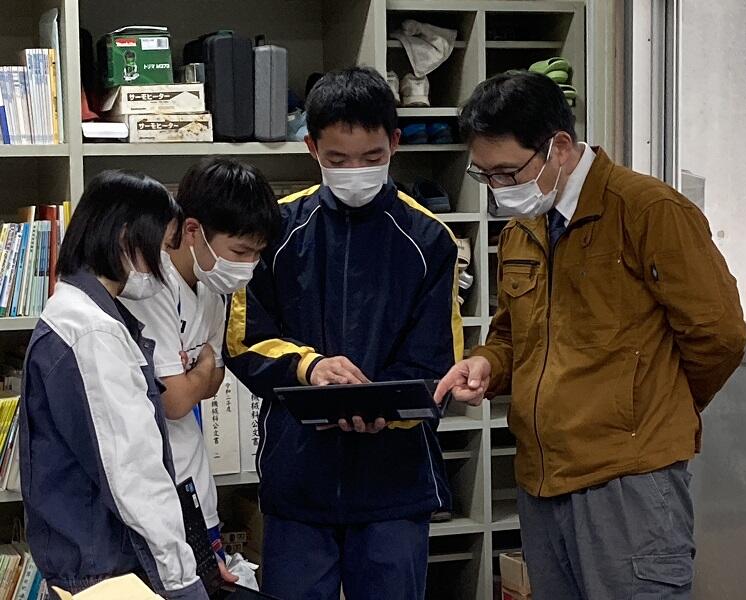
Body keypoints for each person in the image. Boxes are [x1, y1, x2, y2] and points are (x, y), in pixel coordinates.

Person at [434, 71, 746, 599]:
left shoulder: (647, 211)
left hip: (627, 481)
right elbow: (512, 334)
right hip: (541, 480)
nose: (498, 189)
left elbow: (718, 335)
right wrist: (488, 362)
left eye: (508, 172)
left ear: (559, 147)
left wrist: (650, 408)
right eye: (484, 174)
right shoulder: (525, 226)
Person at [223, 66, 463, 600]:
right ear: (311, 148)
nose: (355, 171)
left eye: (371, 157)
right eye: (337, 159)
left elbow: (436, 360)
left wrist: (385, 406)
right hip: (299, 475)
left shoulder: (430, 239)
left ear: (395, 143)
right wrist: (309, 367)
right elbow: (244, 338)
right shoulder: (278, 229)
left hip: (394, 483)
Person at [19, 170, 208, 599]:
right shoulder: (93, 332)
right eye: (162, 247)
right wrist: (182, 578)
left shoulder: (78, 314)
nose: (164, 266)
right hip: (108, 573)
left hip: (94, 563)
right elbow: (134, 474)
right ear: (126, 238)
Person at [121, 157, 279, 581]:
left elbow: (214, 380)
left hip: (194, 484)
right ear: (192, 230)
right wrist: (201, 368)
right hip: (151, 489)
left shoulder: (211, 287)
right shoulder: (150, 285)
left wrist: (196, 373)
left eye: (257, 254)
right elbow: (173, 401)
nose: (248, 265)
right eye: (240, 252)